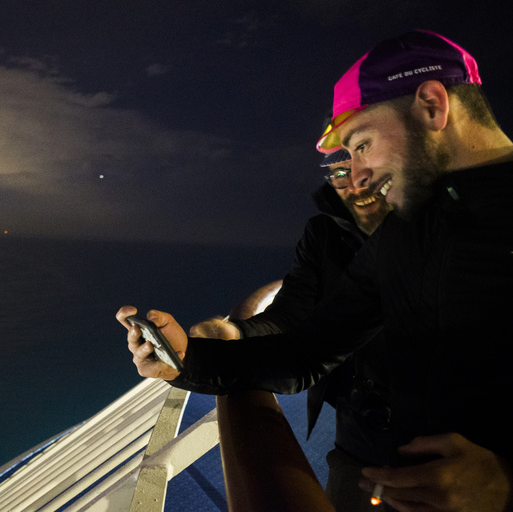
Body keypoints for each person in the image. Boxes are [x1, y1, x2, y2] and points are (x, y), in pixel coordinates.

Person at [118, 30, 513, 511]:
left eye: (362, 144)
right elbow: (307, 351)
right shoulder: (403, 234)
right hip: (380, 480)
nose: (358, 174)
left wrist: (506, 484)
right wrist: (188, 360)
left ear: (432, 105)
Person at [190, 146, 392, 508]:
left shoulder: (444, 234)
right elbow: (292, 319)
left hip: (451, 439)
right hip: (360, 423)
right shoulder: (324, 233)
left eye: (364, 165)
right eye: (339, 173)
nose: (354, 183)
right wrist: (233, 335)